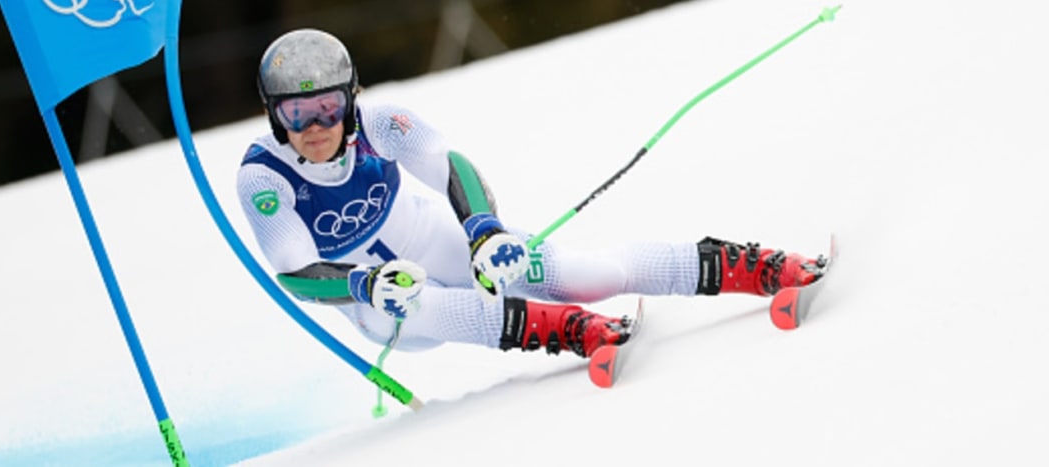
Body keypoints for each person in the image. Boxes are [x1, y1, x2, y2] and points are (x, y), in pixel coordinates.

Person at [237, 29, 825, 358]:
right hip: (372, 298)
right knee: (429, 307)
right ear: (273, 115)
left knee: (583, 272)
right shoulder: (264, 177)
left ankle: (752, 267)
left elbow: (451, 168)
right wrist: (364, 282)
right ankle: (570, 331)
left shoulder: (383, 124)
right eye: (295, 113)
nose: (314, 127)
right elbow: (295, 272)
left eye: (327, 107)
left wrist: (484, 231)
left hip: (430, 236)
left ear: (350, 99)